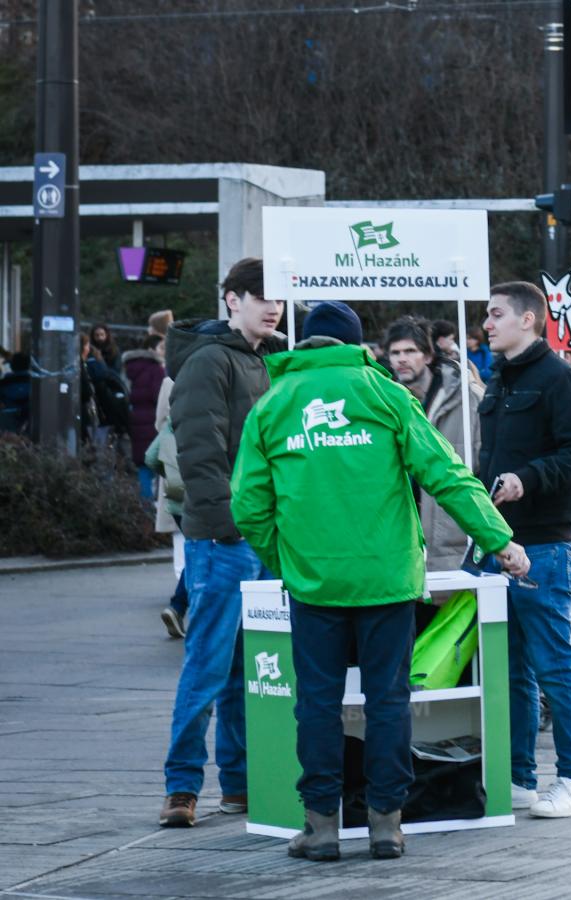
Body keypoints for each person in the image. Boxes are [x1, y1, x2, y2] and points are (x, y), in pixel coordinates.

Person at [231, 301, 527, 863]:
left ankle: (320, 828)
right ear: (354, 344)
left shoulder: (271, 407)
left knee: (315, 704)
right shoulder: (386, 395)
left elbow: (248, 507)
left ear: (306, 344)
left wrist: (292, 560)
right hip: (388, 580)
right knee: (388, 701)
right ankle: (387, 825)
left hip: (314, 586)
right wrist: (499, 540)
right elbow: (447, 473)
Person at [158, 257, 283, 828]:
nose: (274, 306)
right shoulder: (210, 360)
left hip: (258, 538)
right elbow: (201, 454)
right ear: (232, 300)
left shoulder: (263, 361)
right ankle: (182, 787)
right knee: (209, 665)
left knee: (245, 669)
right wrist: (234, 524)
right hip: (226, 539)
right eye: (261, 296)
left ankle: (239, 784)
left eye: (279, 297)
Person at [476, 280, 571, 817]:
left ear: (528, 319)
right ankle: (519, 778)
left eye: (496, 314)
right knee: (508, 671)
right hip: (496, 541)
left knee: (553, 667)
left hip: (544, 547)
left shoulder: (560, 380)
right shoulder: (497, 381)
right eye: (486, 314)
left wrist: (527, 479)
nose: (486, 323)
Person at [384, 317, 483, 571]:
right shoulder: (383, 401)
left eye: (410, 351)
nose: (401, 359)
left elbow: (485, 460)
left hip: (454, 537)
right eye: (395, 353)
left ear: (428, 356)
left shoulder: (467, 398)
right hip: (401, 537)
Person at [146, 371, 189, 639]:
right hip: (207, 483)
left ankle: (179, 602)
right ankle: (181, 602)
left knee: (188, 544)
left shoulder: (172, 380)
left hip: (175, 474)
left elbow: (160, 424)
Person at [124, 334, 167, 500]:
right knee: (155, 466)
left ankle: (144, 506)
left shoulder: (133, 367)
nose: (164, 351)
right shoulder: (156, 369)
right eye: (162, 347)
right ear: (151, 349)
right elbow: (160, 397)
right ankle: (151, 508)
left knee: (143, 466)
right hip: (152, 423)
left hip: (137, 421)